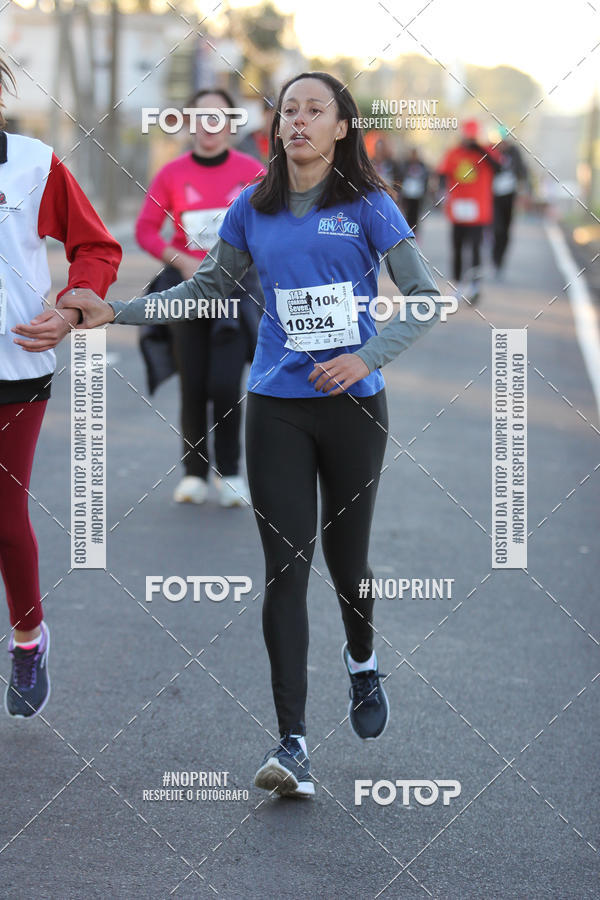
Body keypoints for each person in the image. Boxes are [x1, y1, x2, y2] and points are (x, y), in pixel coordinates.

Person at [39, 71, 441, 797]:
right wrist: (118, 310)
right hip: (276, 404)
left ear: (341, 127)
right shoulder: (249, 207)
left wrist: (363, 357)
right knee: (286, 571)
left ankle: (362, 661)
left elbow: (423, 298)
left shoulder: (370, 206)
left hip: (355, 408)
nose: (298, 122)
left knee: (348, 569)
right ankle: (292, 745)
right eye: (288, 110)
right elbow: (207, 291)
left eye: (315, 111)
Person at [1, 56, 121, 717]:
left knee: (4, 520)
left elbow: (96, 246)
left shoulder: (31, 163)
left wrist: (73, 305)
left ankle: (27, 638)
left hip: (14, 367)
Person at [136, 88, 265, 508]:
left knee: (226, 385)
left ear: (231, 124)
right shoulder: (171, 173)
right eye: (200, 117)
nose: (209, 126)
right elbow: (146, 229)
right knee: (193, 384)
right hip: (185, 292)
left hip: (234, 293)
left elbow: (271, 227)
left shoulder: (253, 173)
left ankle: (230, 474)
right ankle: (193, 474)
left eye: (218, 117)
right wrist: (183, 261)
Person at [438, 119, 502, 304]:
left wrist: (479, 149)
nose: (469, 140)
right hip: (457, 210)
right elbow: (442, 174)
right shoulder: (454, 152)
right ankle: (457, 286)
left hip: (478, 212)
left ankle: (474, 286)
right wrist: (442, 193)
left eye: (472, 137)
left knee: (475, 249)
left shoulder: (486, 153)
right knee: (457, 248)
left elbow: (499, 168)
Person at [492, 125, 529, 276]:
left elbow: (522, 171)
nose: (503, 144)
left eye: (505, 141)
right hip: (493, 196)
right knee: (497, 228)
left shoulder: (514, 152)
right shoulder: (491, 152)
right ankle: (494, 256)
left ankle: (500, 259)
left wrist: (525, 191)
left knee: (505, 231)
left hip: (509, 196)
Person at [397, 147, 429, 236]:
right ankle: (406, 231)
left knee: (415, 215)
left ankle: (415, 232)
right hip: (407, 194)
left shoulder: (422, 165)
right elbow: (401, 176)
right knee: (407, 214)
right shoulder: (405, 164)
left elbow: (426, 177)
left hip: (418, 194)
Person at [237, 96, 275, 166]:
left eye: (274, 114)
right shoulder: (248, 141)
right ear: (263, 114)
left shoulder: (284, 141)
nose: (271, 117)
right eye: (268, 113)